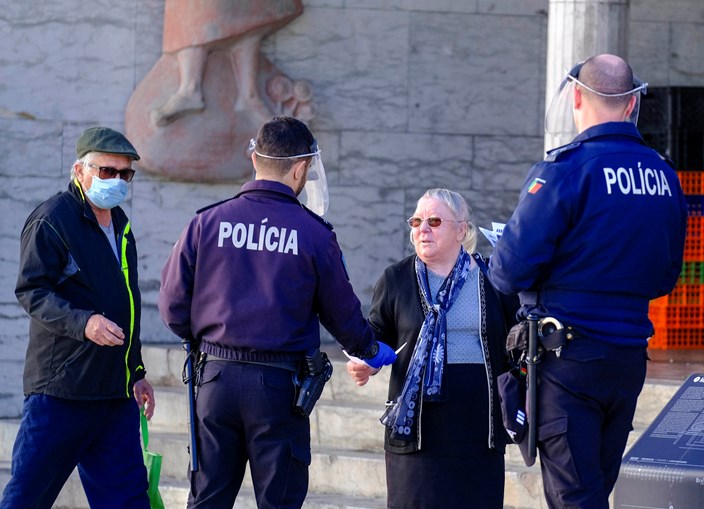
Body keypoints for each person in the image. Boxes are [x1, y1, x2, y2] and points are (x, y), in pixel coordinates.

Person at [158, 115, 397, 509]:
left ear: (255, 160)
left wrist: (207, 340)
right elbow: (341, 313)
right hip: (278, 389)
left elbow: (171, 306)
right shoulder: (314, 234)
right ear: (301, 168)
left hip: (214, 379)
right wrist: (370, 350)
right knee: (279, 501)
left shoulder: (207, 222)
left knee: (208, 500)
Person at [488, 54, 688, 508]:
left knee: (576, 497)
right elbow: (665, 276)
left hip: (569, 359)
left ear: (577, 96)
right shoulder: (664, 175)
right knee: (594, 487)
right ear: (632, 104)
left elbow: (506, 271)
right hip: (629, 356)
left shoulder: (565, 170)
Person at [1, 127, 156, 509]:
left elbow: (129, 303)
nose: (117, 181)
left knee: (129, 501)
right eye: (107, 171)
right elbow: (32, 291)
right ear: (79, 170)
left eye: (125, 174)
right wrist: (83, 322)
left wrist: (135, 371)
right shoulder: (52, 220)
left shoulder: (121, 224)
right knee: (26, 499)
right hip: (61, 394)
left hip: (114, 398)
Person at [347, 188, 518, 509]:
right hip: (418, 423)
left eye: (435, 221)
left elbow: (515, 337)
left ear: (462, 230)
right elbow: (375, 336)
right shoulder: (397, 278)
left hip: (479, 424)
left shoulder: (492, 278)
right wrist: (366, 361)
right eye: (416, 221)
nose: (422, 229)